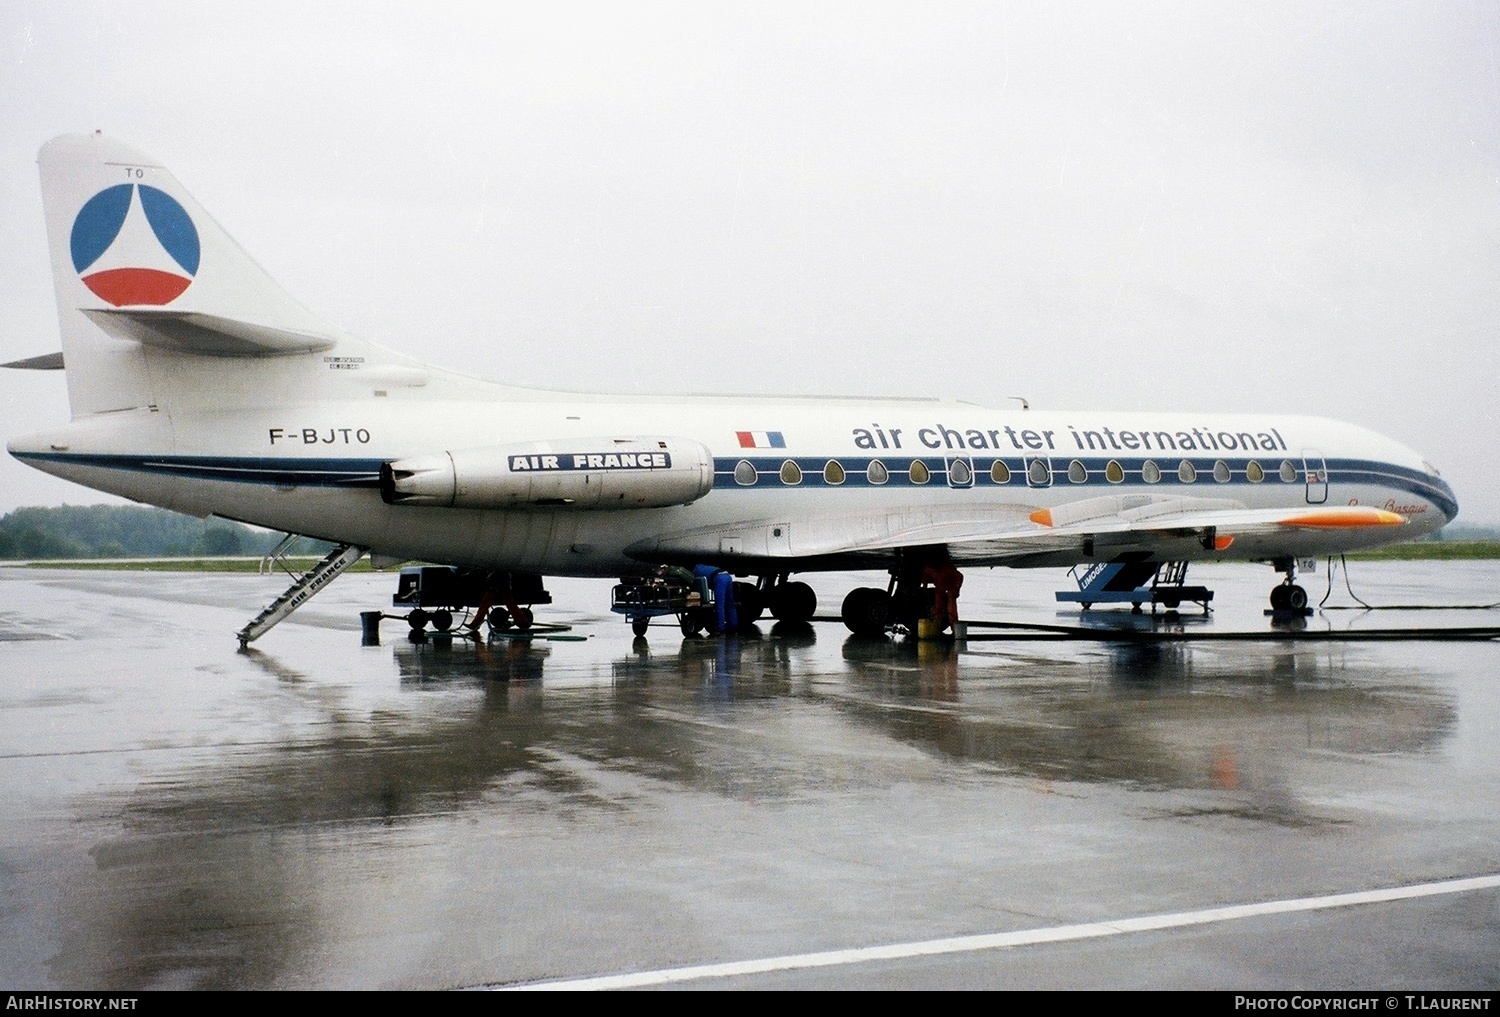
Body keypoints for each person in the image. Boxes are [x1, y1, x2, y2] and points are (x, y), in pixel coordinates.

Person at [691, 563, 739, 635]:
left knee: (719, 606)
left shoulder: (694, 572)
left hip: (719, 579)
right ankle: (733, 627)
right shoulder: (702, 567)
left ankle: (720, 629)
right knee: (730, 604)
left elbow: (700, 585)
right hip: (727, 576)